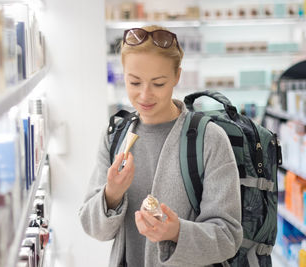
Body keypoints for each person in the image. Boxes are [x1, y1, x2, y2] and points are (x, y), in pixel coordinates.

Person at [79, 25, 243, 267]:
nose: (145, 95)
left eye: (158, 83)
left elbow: (228, 237)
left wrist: (177, 232)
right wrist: (111, 194)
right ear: (123, 74)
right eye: (134, 82)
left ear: (177, 76)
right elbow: (94, 229)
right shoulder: (115, 136)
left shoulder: (209, 139)